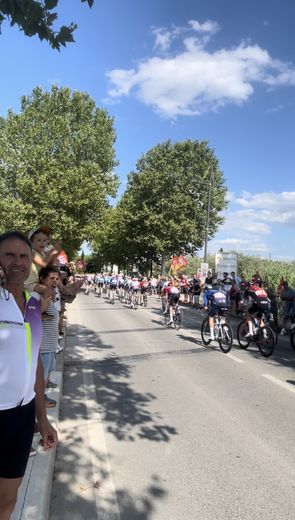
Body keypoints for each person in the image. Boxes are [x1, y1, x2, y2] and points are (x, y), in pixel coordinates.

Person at [0, 231, 58, 519]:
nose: (18, 262)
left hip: (22, 418)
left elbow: (34, 360)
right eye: (9, 255)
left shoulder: (32, 303)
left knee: (7, 502)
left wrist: (42, 419)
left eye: (23, 255)